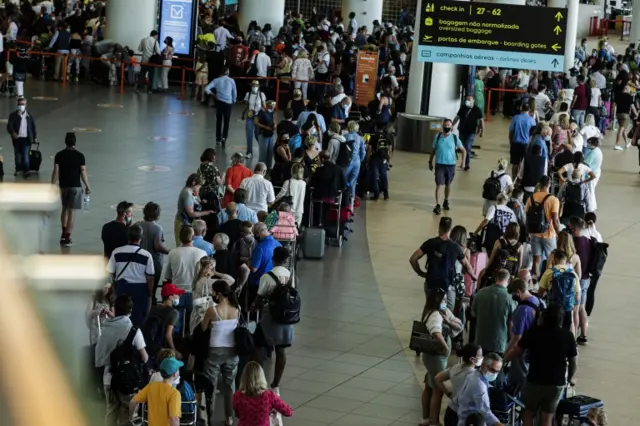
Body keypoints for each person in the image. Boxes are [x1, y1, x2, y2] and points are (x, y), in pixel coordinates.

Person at [504, 304, 577, 426]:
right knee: (547, 418)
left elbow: (517, 351)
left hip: (535, 380)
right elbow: (573, 361)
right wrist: (570, 378)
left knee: (528, 414)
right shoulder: (568, 336)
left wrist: (503, 361)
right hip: (556, 383)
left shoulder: (534, 332)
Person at [95, 295, 149, 426]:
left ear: (115, 310)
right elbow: (145, 357)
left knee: (111, 413)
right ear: (131, 311)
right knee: (128, 415)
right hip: (128, 381)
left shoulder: (106, 329)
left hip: (109, 379)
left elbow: (98, 357)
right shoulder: (133, 331)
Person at [410, 217, 478, 320]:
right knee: (445, 308)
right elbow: (467, 265)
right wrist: (473, 276)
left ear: (439, 227)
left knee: (429, 305)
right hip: (447, 285)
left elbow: (413, 259)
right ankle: (442, 329)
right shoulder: (455, 247)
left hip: (430, 282)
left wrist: (421, 273)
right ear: (450, 229)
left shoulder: (430, 243)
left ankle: (424, 328)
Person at [251, 247, 294, 393]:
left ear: (273, 259)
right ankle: (275, 383)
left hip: (269, 317)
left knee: (258, 346)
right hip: (287, 318)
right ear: (286, 260)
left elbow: (259, 299)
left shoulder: (267, 276)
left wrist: (254, 307)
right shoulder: (291, 276)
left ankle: (259, 380)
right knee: (281, 350)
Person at [418, 289, 463, 426]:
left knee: (429, 386)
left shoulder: (437, 312)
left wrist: (449, 322)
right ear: (437, 301)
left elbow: (459, 325)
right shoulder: (436, 315)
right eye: (443, 300)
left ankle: (427, 419)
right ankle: (434, 422)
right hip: (436, 358)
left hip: (432, 357)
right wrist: (446, 347)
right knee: (437, 390)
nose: (445, 302)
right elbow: (436, 333)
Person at [201, 280, 241, 426]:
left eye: (213, 292)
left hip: (214, 351)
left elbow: (203, 328)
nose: (211, 294)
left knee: (211, 385)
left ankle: (209, 417)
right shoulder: (237, 308)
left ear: (218, 294)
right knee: (230, 385)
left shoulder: (212, 310)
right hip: (232, 350)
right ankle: (229, 417)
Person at [51, 132, 90, 247]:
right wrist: (87, 185)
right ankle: (67, 237)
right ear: (75, 142)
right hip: (75, 187)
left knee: (64, 209)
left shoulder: (59, 155)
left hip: (63, 186)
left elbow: (56, 172)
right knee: (72, 212)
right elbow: (83, 172)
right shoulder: (80, 156)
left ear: (65, 142)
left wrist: (52, 185)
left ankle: (63, 233)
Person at [505, 277, 541, 389]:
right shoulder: (535, 300)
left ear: (518, 292)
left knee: (517, 382)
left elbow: (517, 338)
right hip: (534, 349)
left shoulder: (522, 310)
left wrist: (505, 354)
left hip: (522, 353)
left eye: (513, 295)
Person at [434, 343, 483, 426]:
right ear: (472, 359)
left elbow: (437, 378)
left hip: (451, 411)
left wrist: (448, 393)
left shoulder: (455, 368)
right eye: (480, 355)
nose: (482, 357)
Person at [233, 361, 293, 426]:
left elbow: (238, 414)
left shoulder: (237, 397)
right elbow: (288, 412)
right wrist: (268, 410)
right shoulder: (269, 396)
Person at [453, 353, 505, 426]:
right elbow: (486, 414)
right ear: (483, 366)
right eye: (493, 370)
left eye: (497, 372)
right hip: (471, 422)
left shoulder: (473, 374)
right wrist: (499, 424)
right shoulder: (479, 386)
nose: (495, 374)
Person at [471, 269, 515, 355]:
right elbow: (511, 323)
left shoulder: (480, 293)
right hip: (499, 344)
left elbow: (473, 315)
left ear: (495, 278)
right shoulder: (510, 298)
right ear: (509, 280)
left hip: (481, 341)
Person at [130, 357, 182, 426]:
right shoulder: (174, 393)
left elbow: (132, 402)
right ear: (175, 374)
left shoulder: (151, 386)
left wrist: (131, 417)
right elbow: (174, 419)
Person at [526, 176, 561, 278]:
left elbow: (527, 217)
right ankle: (547, 281)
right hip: (549, 234)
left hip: (534, 233)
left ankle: (535, 281)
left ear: (539, 184)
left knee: (536, 260)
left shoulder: (531, 198)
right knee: (551, 260)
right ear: (550, 184)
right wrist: (560, 234)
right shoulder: (553, 199)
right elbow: (555, 220)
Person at [429, 118, 466, 214]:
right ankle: (437, 205)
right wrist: (430, 161)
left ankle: (446, 200)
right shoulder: (437, 137)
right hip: (439, 164)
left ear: (451, 127)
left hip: (450, 165)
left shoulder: (454, 138)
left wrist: (463, 162)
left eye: (448, 126)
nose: (446, 127)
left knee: (448, 184)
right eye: (445, 126)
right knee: (438, 184)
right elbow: (433, 150)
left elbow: (463, 150)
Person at [538, 250, 581, 332]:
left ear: (554, 259)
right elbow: (578, 295)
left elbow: (540, 292)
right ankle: (572, 342)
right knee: (568, 325)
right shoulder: (573, 273)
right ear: (566, 260)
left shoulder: (549, 272)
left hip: (554, 306)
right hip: (568, 306)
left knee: (553, 327)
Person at [137, 202, 170, 301]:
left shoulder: (137, 225)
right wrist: (169, 251)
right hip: (154, 263)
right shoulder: (157, 228)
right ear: (157, 215)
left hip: (139, 261)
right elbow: (158, 246)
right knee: (152, 289)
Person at [146, 283, 184, 360]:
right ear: (170, 297)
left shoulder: (153, 308)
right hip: (164, 349)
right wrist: (174, 351)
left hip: (151, 345)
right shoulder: (173, 312)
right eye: (176, 295)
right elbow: (168, 335)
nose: (178, 297)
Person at [247, 222, 282, 305]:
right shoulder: (278, 244)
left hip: (258, 283)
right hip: (274, 281)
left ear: (258, 233)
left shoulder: (260, 247)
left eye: (254, 234)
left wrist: (248, 261)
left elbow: (254, 269)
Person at [175, 174, 214, 246]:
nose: (200, 188)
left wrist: (200, 201)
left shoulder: (190, 190)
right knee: (182, 245)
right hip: (182, 224)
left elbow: (195, 197)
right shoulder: (187, 193)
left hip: (187, 223)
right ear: (193, 183)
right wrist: (206, 213)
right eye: (199, 186)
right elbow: (191, 213)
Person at [570, 220, 592, 345]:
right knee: (582, 308)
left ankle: (573, 337)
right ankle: (583, 335)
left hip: (577, 280)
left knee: (575, 310)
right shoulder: (587, 241)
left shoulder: (574, 244)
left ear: (574, 229)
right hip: (586, 278)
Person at [205, 67, 237, 146]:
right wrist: (234, 100)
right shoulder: (231, 80)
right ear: (227, 72)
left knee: (219, 121)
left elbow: (206, 89)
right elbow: (234, 92)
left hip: (219, 103)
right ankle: (224, 137)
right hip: (228, 103)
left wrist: (213, 94)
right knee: (226, 121)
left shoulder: (216, 80)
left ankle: (218, 139)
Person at [7, 96, 37, 178]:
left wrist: (35, 137)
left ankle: (26, 170)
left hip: (27, 139)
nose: (21, 106)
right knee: (17, 155)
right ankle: (18, 169)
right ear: (17, 105)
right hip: (17, 139)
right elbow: (9, 126)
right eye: (19, 104)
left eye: (22, 104)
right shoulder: (13, 115)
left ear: (25, 105)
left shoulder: (29, 116)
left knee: (25, 154)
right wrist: (12, 132)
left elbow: (33, 127)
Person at [453, 95, 484, 170]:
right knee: (462, 147)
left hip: (471, 132)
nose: (467, 101)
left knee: (467, 146)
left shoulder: (477, 110)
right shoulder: (463, 108)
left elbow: (481, 121)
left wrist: (482, 131)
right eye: (466, 100)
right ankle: (463, 162)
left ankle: (466, 164)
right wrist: (452, 125)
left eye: (469, 100)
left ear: (473, 101)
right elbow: (457, 117)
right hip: (462, 131)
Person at [367, 122, 393, 201]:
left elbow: (369, 149)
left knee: (374, 177)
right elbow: (390, 149)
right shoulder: (387, 136)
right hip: (384, 159)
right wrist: (388, 159)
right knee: (384, 176)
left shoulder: (374, 137)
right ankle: (386, 194)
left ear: (376, 128)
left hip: (375, 158)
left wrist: (368, 160)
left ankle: (376, 194)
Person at [509, 104, 536, 177]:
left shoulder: (515, 118)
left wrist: (511, 143)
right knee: (524, 165)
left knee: (515, 164)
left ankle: (513, 180)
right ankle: (520, 180)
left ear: (521, 108)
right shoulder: (532, 120)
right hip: (526, 145)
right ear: (529, 110)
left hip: (515, 144)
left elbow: (511, 132)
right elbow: (533, 135)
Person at [243, 80, 267, 159]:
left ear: (258, 87)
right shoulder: (248, 94)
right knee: (249, 135)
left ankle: (263, 149)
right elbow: (246, 105)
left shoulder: (261, 95)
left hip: (258, 117)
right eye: (253, 86)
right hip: (250, 116)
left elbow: (264, 106)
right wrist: (243, 114)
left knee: (257, 135)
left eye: (256, 86)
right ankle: (249, 152)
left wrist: (266, 115)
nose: (254, 87)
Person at [614, 85, 636, 150]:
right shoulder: (629, 96)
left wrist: (613, 114)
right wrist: (637, 114)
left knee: (623, 130)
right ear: (627, 89)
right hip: (625, 115)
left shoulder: (618, 95)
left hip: (618, 114)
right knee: (621, 129)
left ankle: (626, 143)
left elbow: (614, 105)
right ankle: (617, 144)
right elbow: (632, 107)